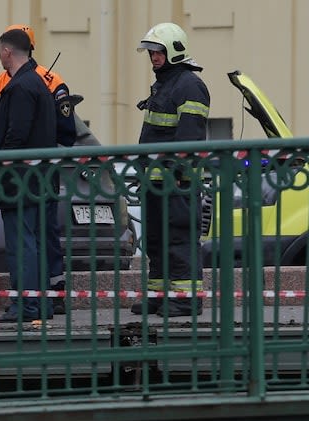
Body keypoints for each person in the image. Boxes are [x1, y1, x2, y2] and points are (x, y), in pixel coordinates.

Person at [0, 24, 78, 312]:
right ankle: (42, 304)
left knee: (22, 244)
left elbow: (16, 135)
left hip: (19, 181)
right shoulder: (39, 83)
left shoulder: (20, 87)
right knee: (35, 242)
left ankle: (27, 306)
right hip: (36, 178)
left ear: (7, 51)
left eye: (0, 52)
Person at [134, 22, 210, 319]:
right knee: (156, 239)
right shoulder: (166, 83)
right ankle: (159, 294)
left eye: (158, 51)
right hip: (156, 179)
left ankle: (186, 299)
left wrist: (177, 172)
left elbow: (189, 138)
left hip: (177, 180)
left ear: (174, 51)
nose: (153, 57)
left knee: (179, 239)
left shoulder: (189, 84)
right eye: (151, 52)